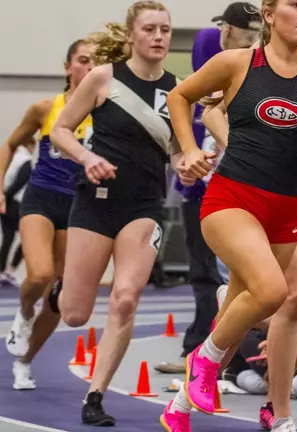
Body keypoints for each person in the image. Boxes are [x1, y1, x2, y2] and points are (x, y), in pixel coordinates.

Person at [161, 0, 297, 430]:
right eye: (295, 5)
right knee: (271, 291)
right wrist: (189, 150)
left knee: (236, 310)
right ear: (269, 14)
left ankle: (180, 408)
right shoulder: (236, 63)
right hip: (233, 201)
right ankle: (204, 361)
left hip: (286, 212)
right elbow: (179, 96)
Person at [48, 1, 183, 426]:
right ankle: (60, 289)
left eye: (165, 29)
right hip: (96, 201)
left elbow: (179, 152)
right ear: (131, 35)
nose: (159, 37)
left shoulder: (180, 91)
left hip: (144, 206)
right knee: (74, 314)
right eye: (150, 29)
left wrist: (190, 165)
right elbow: (60, 130)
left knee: (125, 300)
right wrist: (87, 158)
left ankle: (95, 395)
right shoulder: (104, 78)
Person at [155, 2, 264, 376]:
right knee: (204, 273)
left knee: (239, 277)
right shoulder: (209, 44)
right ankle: (197, 349)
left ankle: (225, 351)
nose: (250, 46)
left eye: (256, 39)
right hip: (202, 179)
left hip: (242, 180)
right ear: (227, 31)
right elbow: (201, 95)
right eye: (244, 38)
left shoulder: (258, 60)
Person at [0, 40, 94, 391]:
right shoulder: (45, 108)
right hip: (40, 199)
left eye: (96, 62)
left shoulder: (105, 114)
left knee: (59, 297)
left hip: (78, 208)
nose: (89, 67)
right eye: (83, 61)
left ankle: (24, 362)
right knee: (38, 275)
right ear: (68, 67)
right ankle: (23, 313)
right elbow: (9, 144)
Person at [0, 138, 35, 287]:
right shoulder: (25, 160)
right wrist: (6, 197)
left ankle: (2, 272)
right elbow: (20, 181)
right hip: (14, 203)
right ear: (30, 145)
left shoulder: (11, 159)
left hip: (5, 202)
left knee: (8, 237)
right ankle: (11, 270)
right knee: (29, 237)